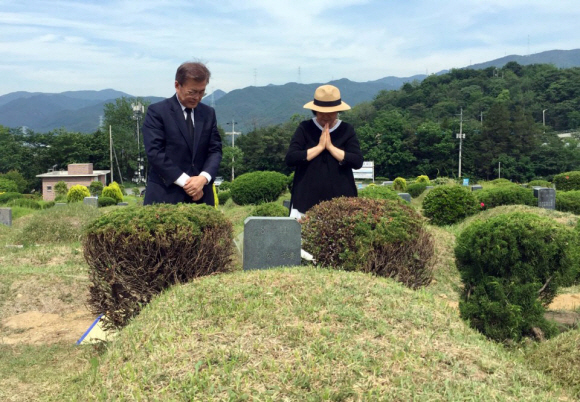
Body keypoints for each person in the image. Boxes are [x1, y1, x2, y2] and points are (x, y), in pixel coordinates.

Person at [143, 61, 222, 206]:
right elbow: (155, 153)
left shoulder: (208, 114)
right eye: (192, 92)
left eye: (201, 92)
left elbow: (215, 150)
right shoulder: (157, 112)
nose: (197, 97)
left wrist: (203, 178)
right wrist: (189, 183)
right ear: (177, 85)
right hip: (165, 196)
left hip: (202, 198)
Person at [285, 84, 364, 219]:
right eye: (322, 112)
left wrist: (331, 148)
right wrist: (319, 147)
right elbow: (291, 158)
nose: (326, 116)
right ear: (315, 110)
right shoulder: (305, 128)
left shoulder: (346, 129)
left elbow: (357, 161)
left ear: (338, 111)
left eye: (331, 112)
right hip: (305, 200)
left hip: (342, 201)